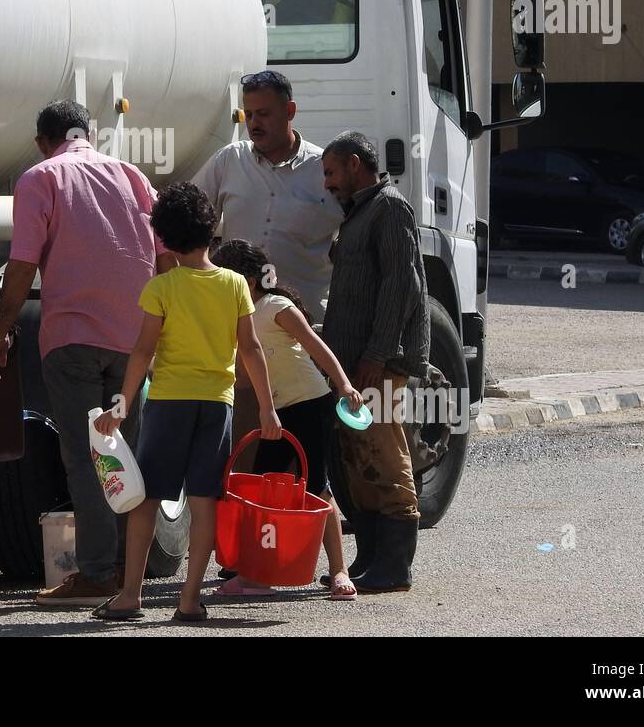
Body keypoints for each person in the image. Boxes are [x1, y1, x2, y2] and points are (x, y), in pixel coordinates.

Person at [0, 100, 174, 608]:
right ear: (87, 133)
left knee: (89, 460)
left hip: (72, 340)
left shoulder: (39, 178)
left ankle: (96, 572)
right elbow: (165, 253)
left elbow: (21, 267)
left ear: (43, 140)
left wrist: (0, 330)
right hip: (133, 342)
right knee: (124, 459)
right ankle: (126, 573)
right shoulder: (133, 176)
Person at [92, 182, 282, 623]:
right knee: (203, 500)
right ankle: (190, 598)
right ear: (211, 227)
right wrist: (269, 407)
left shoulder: (161, 288)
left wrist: (121, 404)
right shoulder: (235, 283)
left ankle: (130, 595)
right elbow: (251, 349)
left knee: (148, 499)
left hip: (168, 403)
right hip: (217, 403)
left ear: (165, 238)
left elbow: (142, 351)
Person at [210, 239, 364, 600]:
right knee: (266, 489)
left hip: (312, 404)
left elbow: (316, 346)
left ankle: (339, 572)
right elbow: (246, 376)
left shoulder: (277, 306)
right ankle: (257, 575)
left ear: (246, 280)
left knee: (318, 488)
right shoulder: (239, 320)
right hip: (276, 414)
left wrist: (343, 384)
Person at [320, 131, 427, 593]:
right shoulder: (360, 212)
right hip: (354, 366)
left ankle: (396, 567)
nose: (327, 184)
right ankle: (372, 559)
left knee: (384, 457)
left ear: (356, 164)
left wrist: (376, 356)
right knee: (357, 462)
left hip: (377, 364)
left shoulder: (389, 207)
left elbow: (400, 286)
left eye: (331, 172)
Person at [193, 70, 344, 321]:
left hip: (305, 323)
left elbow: (358, 235)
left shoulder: (323, 169)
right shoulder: (230, 160)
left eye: (263, 114)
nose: (253, 124)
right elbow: (188, 223)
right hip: (237, 319)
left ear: (290, 111)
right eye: (248, 115)